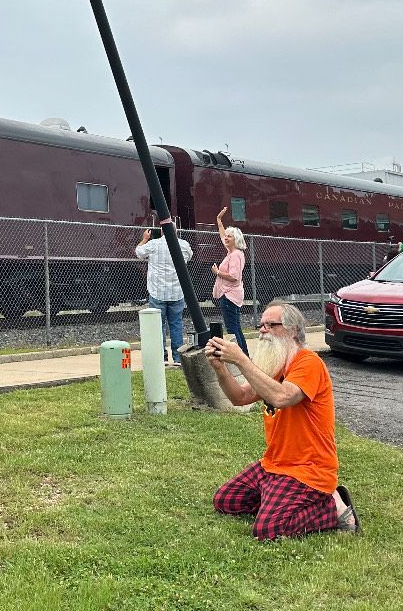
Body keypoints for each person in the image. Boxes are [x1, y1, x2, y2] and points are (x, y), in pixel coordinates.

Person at [207, 301, 359, 540]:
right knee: (226, 501)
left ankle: (333, 507)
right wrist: (220, 369)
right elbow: (239, 397)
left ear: (293, 331)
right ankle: (277, 499)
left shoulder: (309, 363)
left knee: (267, 531)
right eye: (261, 325)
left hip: (307, 470)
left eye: (271, 325)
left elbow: (282, 397)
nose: (263, 330)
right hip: (274, 464)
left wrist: (241, 360)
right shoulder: (275, 365)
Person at [135, 227, 194, 365]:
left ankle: (162, 358)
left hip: (158, 291)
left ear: (162, 231)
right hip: (176, 292)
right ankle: (178, 357)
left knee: (158, 326)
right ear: (176, 231)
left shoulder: (153, 244)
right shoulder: (184, 245)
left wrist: (144, 239)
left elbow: (138, 252)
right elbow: (189, 256)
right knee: (176, 325)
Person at [212, 206, 249, 355]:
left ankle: (241, 357)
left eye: (229, 236)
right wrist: (219, 221)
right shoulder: (232, 252)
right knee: (237, 327)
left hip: (229, 296)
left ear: (236, 240)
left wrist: (218, 272)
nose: (226, 238)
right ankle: (245, 356)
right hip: (230, 295)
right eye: (226, 236)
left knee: (233, 330)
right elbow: (222, 236)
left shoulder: (235, 255)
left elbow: (234, 277)